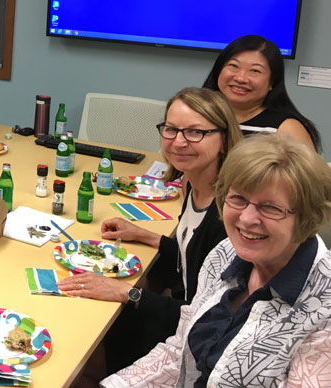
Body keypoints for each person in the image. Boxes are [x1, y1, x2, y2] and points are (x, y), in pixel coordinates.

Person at [103, 133, 331, 387]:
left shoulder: (324, 306)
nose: (246, 219)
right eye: (238, 199)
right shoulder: (225, 254)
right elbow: (180, 350)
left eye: (271, 208)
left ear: (307, 216)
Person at [58, 88, 243, 377]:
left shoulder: (228, 213)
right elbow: (192, 259)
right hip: (176, 309)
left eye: (195, 132)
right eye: (171, 129)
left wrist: (127, 291)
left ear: (224, 140)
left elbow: (207, 314)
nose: (179, 142)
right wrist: (147, 236)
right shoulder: (192, 184)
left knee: (80, 344)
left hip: (190, 334)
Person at [203, 34, 321, 151]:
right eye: (234, 66)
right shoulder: (197, 115)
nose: (241, 78)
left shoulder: (286, 129)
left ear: (272, 82)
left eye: (255, 70)